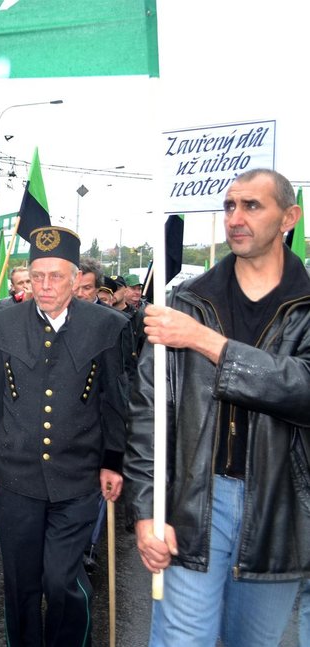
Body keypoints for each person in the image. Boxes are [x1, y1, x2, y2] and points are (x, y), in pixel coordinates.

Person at [126, 169, 310, 646]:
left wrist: (212, 346)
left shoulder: (306, 306)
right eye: (229, 206)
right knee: (181, 640)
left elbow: (303, 390)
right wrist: (146, 509)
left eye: (252, 206)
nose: (235, 218)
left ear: (289, 217)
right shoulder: (184, 302)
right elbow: (149, 413)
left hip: (280, 508)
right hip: (192, 499)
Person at [0, 226, 129, 647]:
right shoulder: (2, 324)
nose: (44, 285)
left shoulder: (108, 326)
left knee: (61, 580)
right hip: (17, 477)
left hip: (77, 476)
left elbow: (115, 402)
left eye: (56, 276)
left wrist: (114, 461)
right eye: (37, 275)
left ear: (76, 279)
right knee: (21, 584)